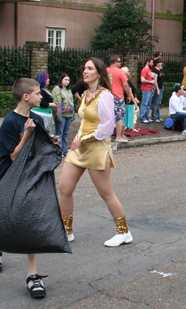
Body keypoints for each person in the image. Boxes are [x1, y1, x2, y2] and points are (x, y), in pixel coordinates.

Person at [59, 58, 133, 246]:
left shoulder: (105, 95)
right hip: (79, 149)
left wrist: (82, 139)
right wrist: (78, 139)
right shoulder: (85, 95)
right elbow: (84, 122)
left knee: (106, 193)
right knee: (64, 188)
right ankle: (66, 231)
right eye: (84, 68)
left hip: (97, 149)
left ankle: (124, 232)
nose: (85, 71)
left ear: (99, 73)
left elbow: (108, 127)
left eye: (90, 68)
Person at [0, 78, 48, 298]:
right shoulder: (10, 122)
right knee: (4, 220)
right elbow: (13, 156)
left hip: (29, 179)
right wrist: (28, 135)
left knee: (31, 224)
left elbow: (40, 149)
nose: (41, 97)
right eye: (38, 93)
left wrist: (52, 142)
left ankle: (32, 275)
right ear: (26, 96)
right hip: (8, 179)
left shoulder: (38, 118)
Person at [107, 56, 133, 143]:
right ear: (115, 62)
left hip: (107, 96)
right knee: (119, 117)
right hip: (118, 96)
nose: (120, 63)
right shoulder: (120, 72)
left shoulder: (105, 71)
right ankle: (118, 136)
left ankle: (108, 136)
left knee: (108, 117)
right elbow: (125, 85)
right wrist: (128, 95)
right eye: (119, 61)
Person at [52, 74, 76, 156]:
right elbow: (57, 102)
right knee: (60, 134)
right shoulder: (57, 89)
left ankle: (65, 151)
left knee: (65, 134)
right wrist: (58, 115)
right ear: (61, 80)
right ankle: (59, 151)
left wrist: (73, 114)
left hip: (69, 115)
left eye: (68, 80)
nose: (67, 81)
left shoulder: (68, 90)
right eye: (65, 79)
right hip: (61, 115)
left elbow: (72, 102)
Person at [31, 73, 57, 137]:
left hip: (47, 114)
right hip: (42, 114)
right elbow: (42, 103)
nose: (49, 80)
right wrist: (52, 104)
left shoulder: (45, 89)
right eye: (47, 78)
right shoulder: (40, 90)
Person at [139, 58, 156, 123]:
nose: (152, 64)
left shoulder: (149, 70)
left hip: (150, 88)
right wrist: (151, 82)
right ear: (147, 62)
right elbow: (142, 80)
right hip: (146, 89)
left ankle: (146, 116)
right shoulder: (144, 70)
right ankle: (142, 117)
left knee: (148, 104)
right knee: (145, 103)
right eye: (151, 62)